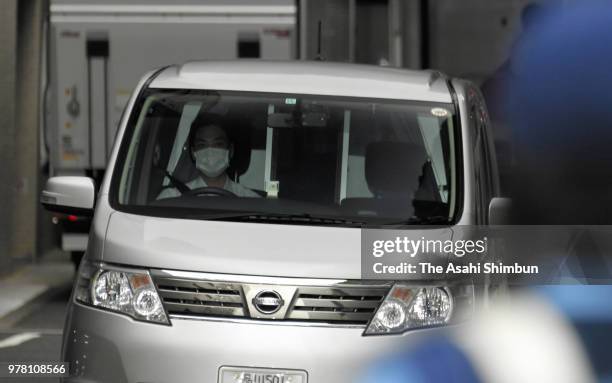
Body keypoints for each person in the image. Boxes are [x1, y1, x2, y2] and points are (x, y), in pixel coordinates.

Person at [158, 117, 260, 199]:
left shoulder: (249, 200)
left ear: (231, 150)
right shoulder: (171, 198)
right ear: (194, 153)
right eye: (202, 145)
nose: (210, 152)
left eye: (218, 144)